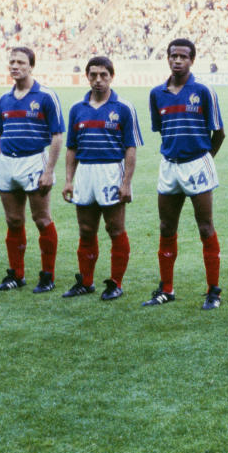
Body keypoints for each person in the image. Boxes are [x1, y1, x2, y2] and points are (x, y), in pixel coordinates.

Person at [144, 39, 225, 310]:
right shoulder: (157, 93)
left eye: (183, 56)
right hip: (169, 165)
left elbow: (219, 132)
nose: (177, 60)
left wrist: (204, 159)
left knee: (205, 227)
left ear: (192, 60)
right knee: (167, 227)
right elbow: (160, 128)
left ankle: (213, 290)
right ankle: (166, 288)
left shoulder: (202, 90)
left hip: (197, 164)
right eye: (173, 56)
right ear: (167, 59)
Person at [61, 56, 142, 301]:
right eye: (93, 75)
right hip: (85, 172)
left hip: (110, 171)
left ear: (111, 77)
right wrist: (68, 180)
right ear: (87, 76)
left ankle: (115, 282)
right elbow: (72, 148)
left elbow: (130, 148)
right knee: (86, 229)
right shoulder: (77, 108)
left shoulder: (123, 107)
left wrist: (126, 183)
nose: (98, 80)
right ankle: (86, 281)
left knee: (115, 229)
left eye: (103, 75)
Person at [0, 46, 63, 293]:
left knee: (41, 219)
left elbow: (57, 136)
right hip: (8, 163)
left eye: (21, 62)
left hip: (34, 161)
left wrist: (49, 170)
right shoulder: (4, 99)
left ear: (31, 66)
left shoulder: (45, 96)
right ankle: (16, 274)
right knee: (13, 220)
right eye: (12, 62)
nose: (15, 66)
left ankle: (47, 275)